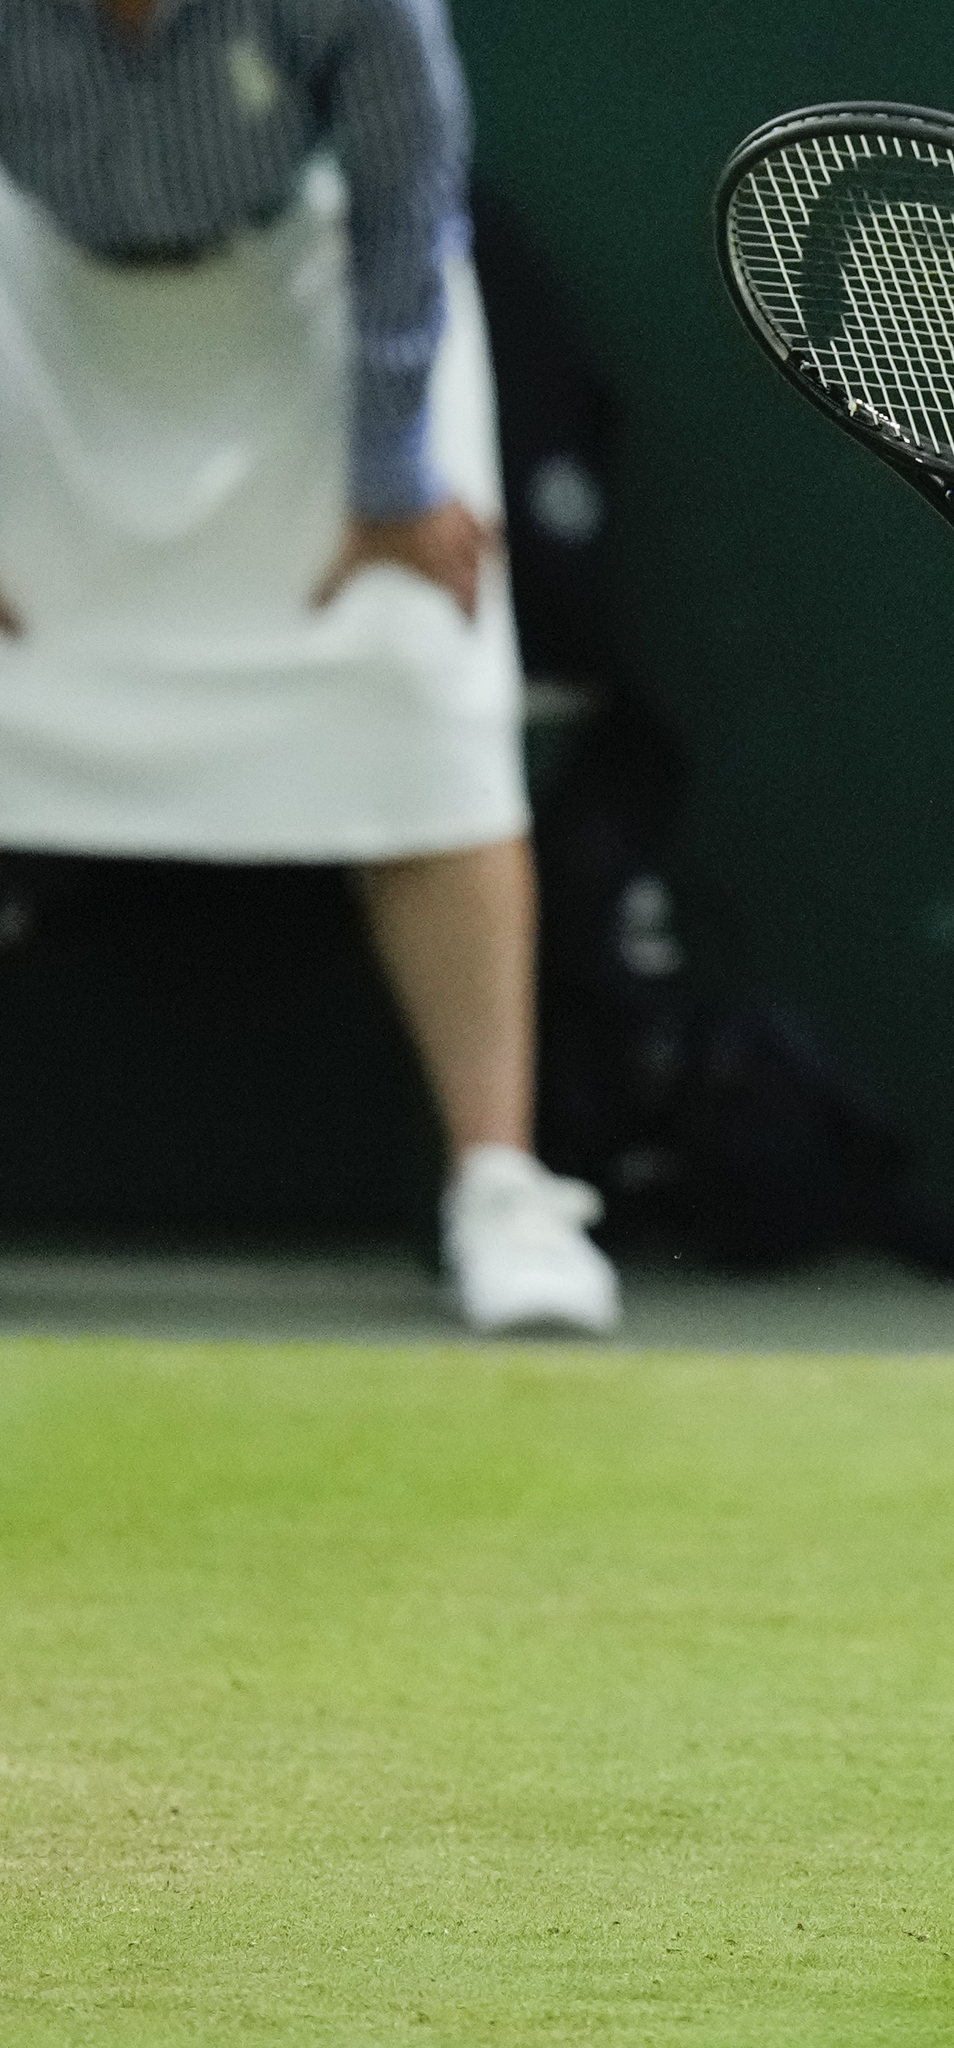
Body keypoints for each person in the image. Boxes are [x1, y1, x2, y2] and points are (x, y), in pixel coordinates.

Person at [0, 0, 617, 1333]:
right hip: (27, 312)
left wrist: (393, 470)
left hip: (310, 313)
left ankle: (501, 1187)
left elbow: (409, 192)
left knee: (422, 686)